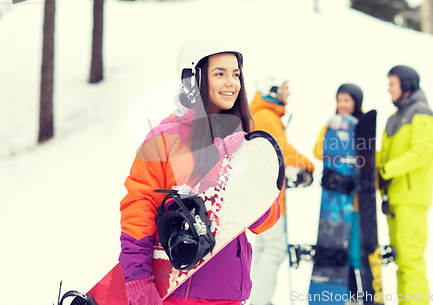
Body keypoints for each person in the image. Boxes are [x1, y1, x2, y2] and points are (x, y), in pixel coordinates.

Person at [119, 31, 281, 305]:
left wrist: (253, 192)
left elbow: (266, 220)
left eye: (236, 74)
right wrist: (137, 280)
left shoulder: (245, 141)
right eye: (219, 74)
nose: (231, 82)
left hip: (230, 291)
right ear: (192, 79)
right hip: (179, 292)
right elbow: (139, 207)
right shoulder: (164, 139)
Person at [248, 74, 315, 305]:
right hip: (270, 198)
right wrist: (308, 165)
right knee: (274, 249)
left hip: (264, 194)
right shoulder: (266, 116)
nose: (289, 93)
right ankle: (260, 300)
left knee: (265, 248)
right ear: (274, 90)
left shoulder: (264, 115)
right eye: (286, 88)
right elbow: (281, 150)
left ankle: (257, 298)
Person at [378, 65, 433, 305]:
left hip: (411, 199)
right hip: (394, 198)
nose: (388, 89)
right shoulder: (395, 118)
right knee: (401, 261)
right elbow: (385, 154)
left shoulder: (421, 113)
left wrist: (386, 171)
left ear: (406, 85)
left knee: (411, 261)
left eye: (392, 84)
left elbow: (421, 152)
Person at [312, 83, 364, 300]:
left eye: (347, 100)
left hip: (356, 202)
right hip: (334, 203)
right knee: (336, 246)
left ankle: (358, 294)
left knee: (355, 251)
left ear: (356, 102)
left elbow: (370, 159)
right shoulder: (331, 126)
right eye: (339, 100)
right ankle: (344, 295)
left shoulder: (363, 126)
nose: (342, 105)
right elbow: (317, 151)